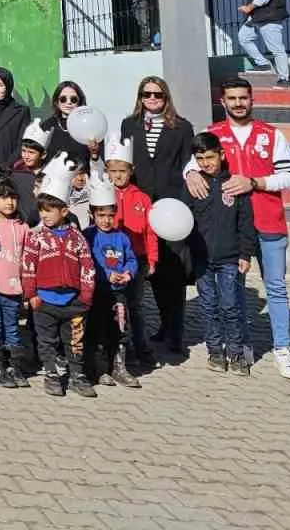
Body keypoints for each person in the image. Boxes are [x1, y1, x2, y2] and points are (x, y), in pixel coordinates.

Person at [188, 76, 290, 380]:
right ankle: (243, 345)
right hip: (230, 229)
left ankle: (283, 349)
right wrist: (190, 175)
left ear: (252, 100)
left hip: (268, 221)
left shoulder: (271, 134)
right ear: (222, 101)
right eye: (232, 98)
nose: (238, 103)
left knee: (276, 287)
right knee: (233, 290)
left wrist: (256, 182)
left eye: (244, 97)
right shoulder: (212, 134)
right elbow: (194, 164)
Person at [118, 75, 194, 361]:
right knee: (151, 268)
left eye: (157, 95)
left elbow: (189, 165)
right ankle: (160, 327)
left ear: (166, 97)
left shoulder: (182, 127)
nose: (152, 99)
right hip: (141, 207)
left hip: (171, 206)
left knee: (172, 272)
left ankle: (175, 331)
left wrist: (184, 202)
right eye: (147, 94)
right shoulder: (129, 125)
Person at [22, 161, 97, 398]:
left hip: (74, 302)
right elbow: (28, 267)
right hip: (45, 301)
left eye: (50, 210)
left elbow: (88, 267)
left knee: (74, 341)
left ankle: (76, 375)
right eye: (42, 210)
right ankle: (51, 373)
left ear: (64, 211)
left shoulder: (77, 239)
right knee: (47, 341)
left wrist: (86, 296)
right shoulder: (37, 238)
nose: (44, 215)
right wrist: (31, 294)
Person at [186, 130, 258, 375]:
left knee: (231, 307)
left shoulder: (235, 185)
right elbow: (184, 220)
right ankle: (215, 352)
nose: (206, 163)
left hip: (230, 259)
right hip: (202, 260)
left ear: (221, 154)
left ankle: (236, 354)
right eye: (200, 159)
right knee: (208, 306)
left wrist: (245, 254)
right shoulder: (195, 186)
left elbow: (246, 223)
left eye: (210, 157)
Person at [102, 133, 157, 373]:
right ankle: (118, 348)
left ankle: (142, 347)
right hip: (110, 260)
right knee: (114, 305)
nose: (118, 176)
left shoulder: (142, 199)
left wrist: (152, 259)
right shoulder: (104, 195)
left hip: (137, 260)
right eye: (113, 171)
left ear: (131, 170)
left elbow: (151, 231)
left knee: (135, 305)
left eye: (122, 171)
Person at [81, 178, 141, 389]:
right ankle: (98, 368)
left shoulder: (121, 237)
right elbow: (90, 259)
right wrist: (107, 274)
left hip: (119, 293)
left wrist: (128, 273)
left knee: (120, 329)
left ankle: (119, 366)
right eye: (101, 216)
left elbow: (132, 259)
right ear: (92, 214)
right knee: (97, 329)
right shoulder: (89, 235)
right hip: (97, 292)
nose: (106, 220)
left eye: (110, 216)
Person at [0, 174, 30, 388]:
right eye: (3, 197)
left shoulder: (22, 227)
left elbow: (28, 257)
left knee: (12, 328)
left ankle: (15, 366)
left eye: (12, 197)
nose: (9, 202)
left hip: (15, 288)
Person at [235, 0, 290, 88]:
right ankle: (263, 63)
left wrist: (249, 7)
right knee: (244, 37)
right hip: (257, 17)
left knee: (277, 49)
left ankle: (284, 79)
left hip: (269, 17)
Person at [38, 81, 91, 169]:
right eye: (63, 99)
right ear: (56, 101)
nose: (68, 102)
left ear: (80, 102)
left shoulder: (88, 126)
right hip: (51, 179)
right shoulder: (47, 126)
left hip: (81, 179)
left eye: (73, 99)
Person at [11, 125, 48, 228]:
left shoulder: (50, 174)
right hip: (22, 225)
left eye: (31, 152)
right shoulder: (16, 174)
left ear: (43, 155)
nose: (26, 156)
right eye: (23, 151)